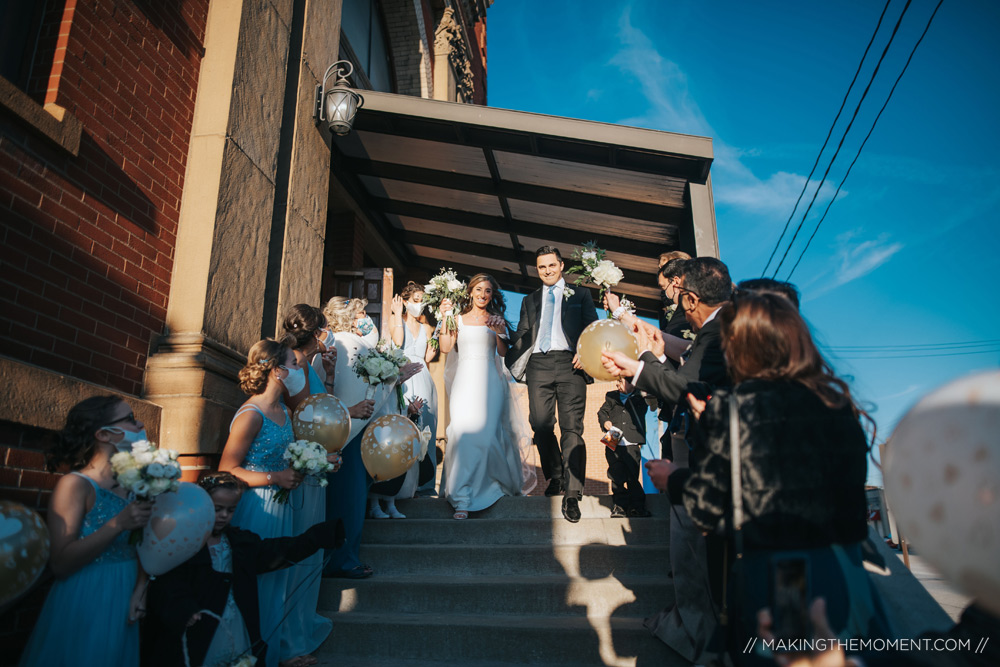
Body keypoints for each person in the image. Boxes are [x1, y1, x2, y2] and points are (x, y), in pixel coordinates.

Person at [653, 291, 892, 665]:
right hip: (842, 567)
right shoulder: (836, 402)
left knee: (792, 657)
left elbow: (709, 508)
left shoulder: (737, 408)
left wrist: (674, 478)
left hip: (786, 577)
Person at [145, 472, 346, 667]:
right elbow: (169, 583)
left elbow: (274, 552)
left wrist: (317, 537)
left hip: (236, 624)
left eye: (231, 510)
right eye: (217, 509)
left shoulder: (238, 542)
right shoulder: (186, 542)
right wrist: (183, 607)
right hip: (198, 627)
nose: (224, 515)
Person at [219, 338, 336, 667]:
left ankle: (275, 651)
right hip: (257, 507)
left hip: (281, 507)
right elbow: (227, 470)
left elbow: (289, 459)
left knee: (278, 582)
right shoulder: (251, 414)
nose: (300, 370)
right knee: (258, 582)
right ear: (277, 371)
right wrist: (275, 478)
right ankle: (254, 653)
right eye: (295, 365)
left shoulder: (284, 410)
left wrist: (320, 460)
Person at [19, 396, 153, 667]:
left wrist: (141, 587)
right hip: (87, 593)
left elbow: (142, 546)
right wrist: (117, 524)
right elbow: (60, 563)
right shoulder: (75, 485)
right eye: (129, 418)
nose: (139, 424)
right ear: (104, 434)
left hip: (126, 592)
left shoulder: (138, 484)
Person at [320, 296, 421, 576]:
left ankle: (345, 556)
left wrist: (394, 379)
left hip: (349, 430)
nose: (367, 317)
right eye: (362, 312)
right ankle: (342, 559)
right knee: (348, 501)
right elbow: (359, 390)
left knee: (350, 498)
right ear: (350, 318)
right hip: (349, 435)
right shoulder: (347, 343)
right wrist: (394, 379)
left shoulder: (345, 342)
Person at [505, 246, 599, 523]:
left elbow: (591, 326)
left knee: (572, 428)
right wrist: (502, 331)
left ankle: (572, 492)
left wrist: (586, 351)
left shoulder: (580, 294)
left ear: (561, 266)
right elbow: (523, 334)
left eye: (551, 265)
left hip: (571, 363)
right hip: (537, 364)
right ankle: (555, 476)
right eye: (541, 267)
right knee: (541, 423)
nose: (547, 270)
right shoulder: (529, 299)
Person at [438, 273, 532, 520]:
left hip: (490, 382)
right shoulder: (456, 319)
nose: (482, 294)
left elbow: (502, 353)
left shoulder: (495, 319)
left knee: (488, 436)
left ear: (492, 295)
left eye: (488, 290)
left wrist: (501, 332)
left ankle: (490, 487)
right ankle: (462, 497)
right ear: (470, 291)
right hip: (465, 382)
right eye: (478, 289)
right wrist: (446, 317)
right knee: (461, 433)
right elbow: (446, 348)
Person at [387, 281, 440, 496]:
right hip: (404, 376)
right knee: (406, 427)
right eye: (416, 301)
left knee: (426, 429)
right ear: (405, 301)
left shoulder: (426, 327)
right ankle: (401, 483)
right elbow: (398, 342)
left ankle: (424, 484)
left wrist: (437, 333)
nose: (420, 305)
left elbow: (428, 356)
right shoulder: (395, 320)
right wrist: (397, 313)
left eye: (422, 302)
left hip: (423, 377)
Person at [596, 378, 651, 518]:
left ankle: (637, 506)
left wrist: (634, 392)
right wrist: (605, 422)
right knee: (616, 474)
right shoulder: (611, 396)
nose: (617, 384)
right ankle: (619, 506)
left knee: (632, 475)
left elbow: (647, 403)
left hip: (632, 440)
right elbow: (601, 412)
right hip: (613, 437)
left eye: (621, 381)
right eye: (617, 381)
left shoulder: (640, 398)